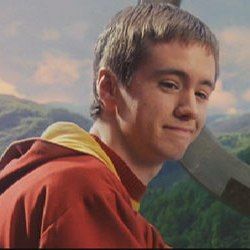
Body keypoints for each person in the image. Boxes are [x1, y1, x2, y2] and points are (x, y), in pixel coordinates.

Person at [0, 2, 219, 248]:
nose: (189, 109)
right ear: (109, 88)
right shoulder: (81, 192)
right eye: (169, 84)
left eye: (201, 94)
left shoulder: (89, 188)